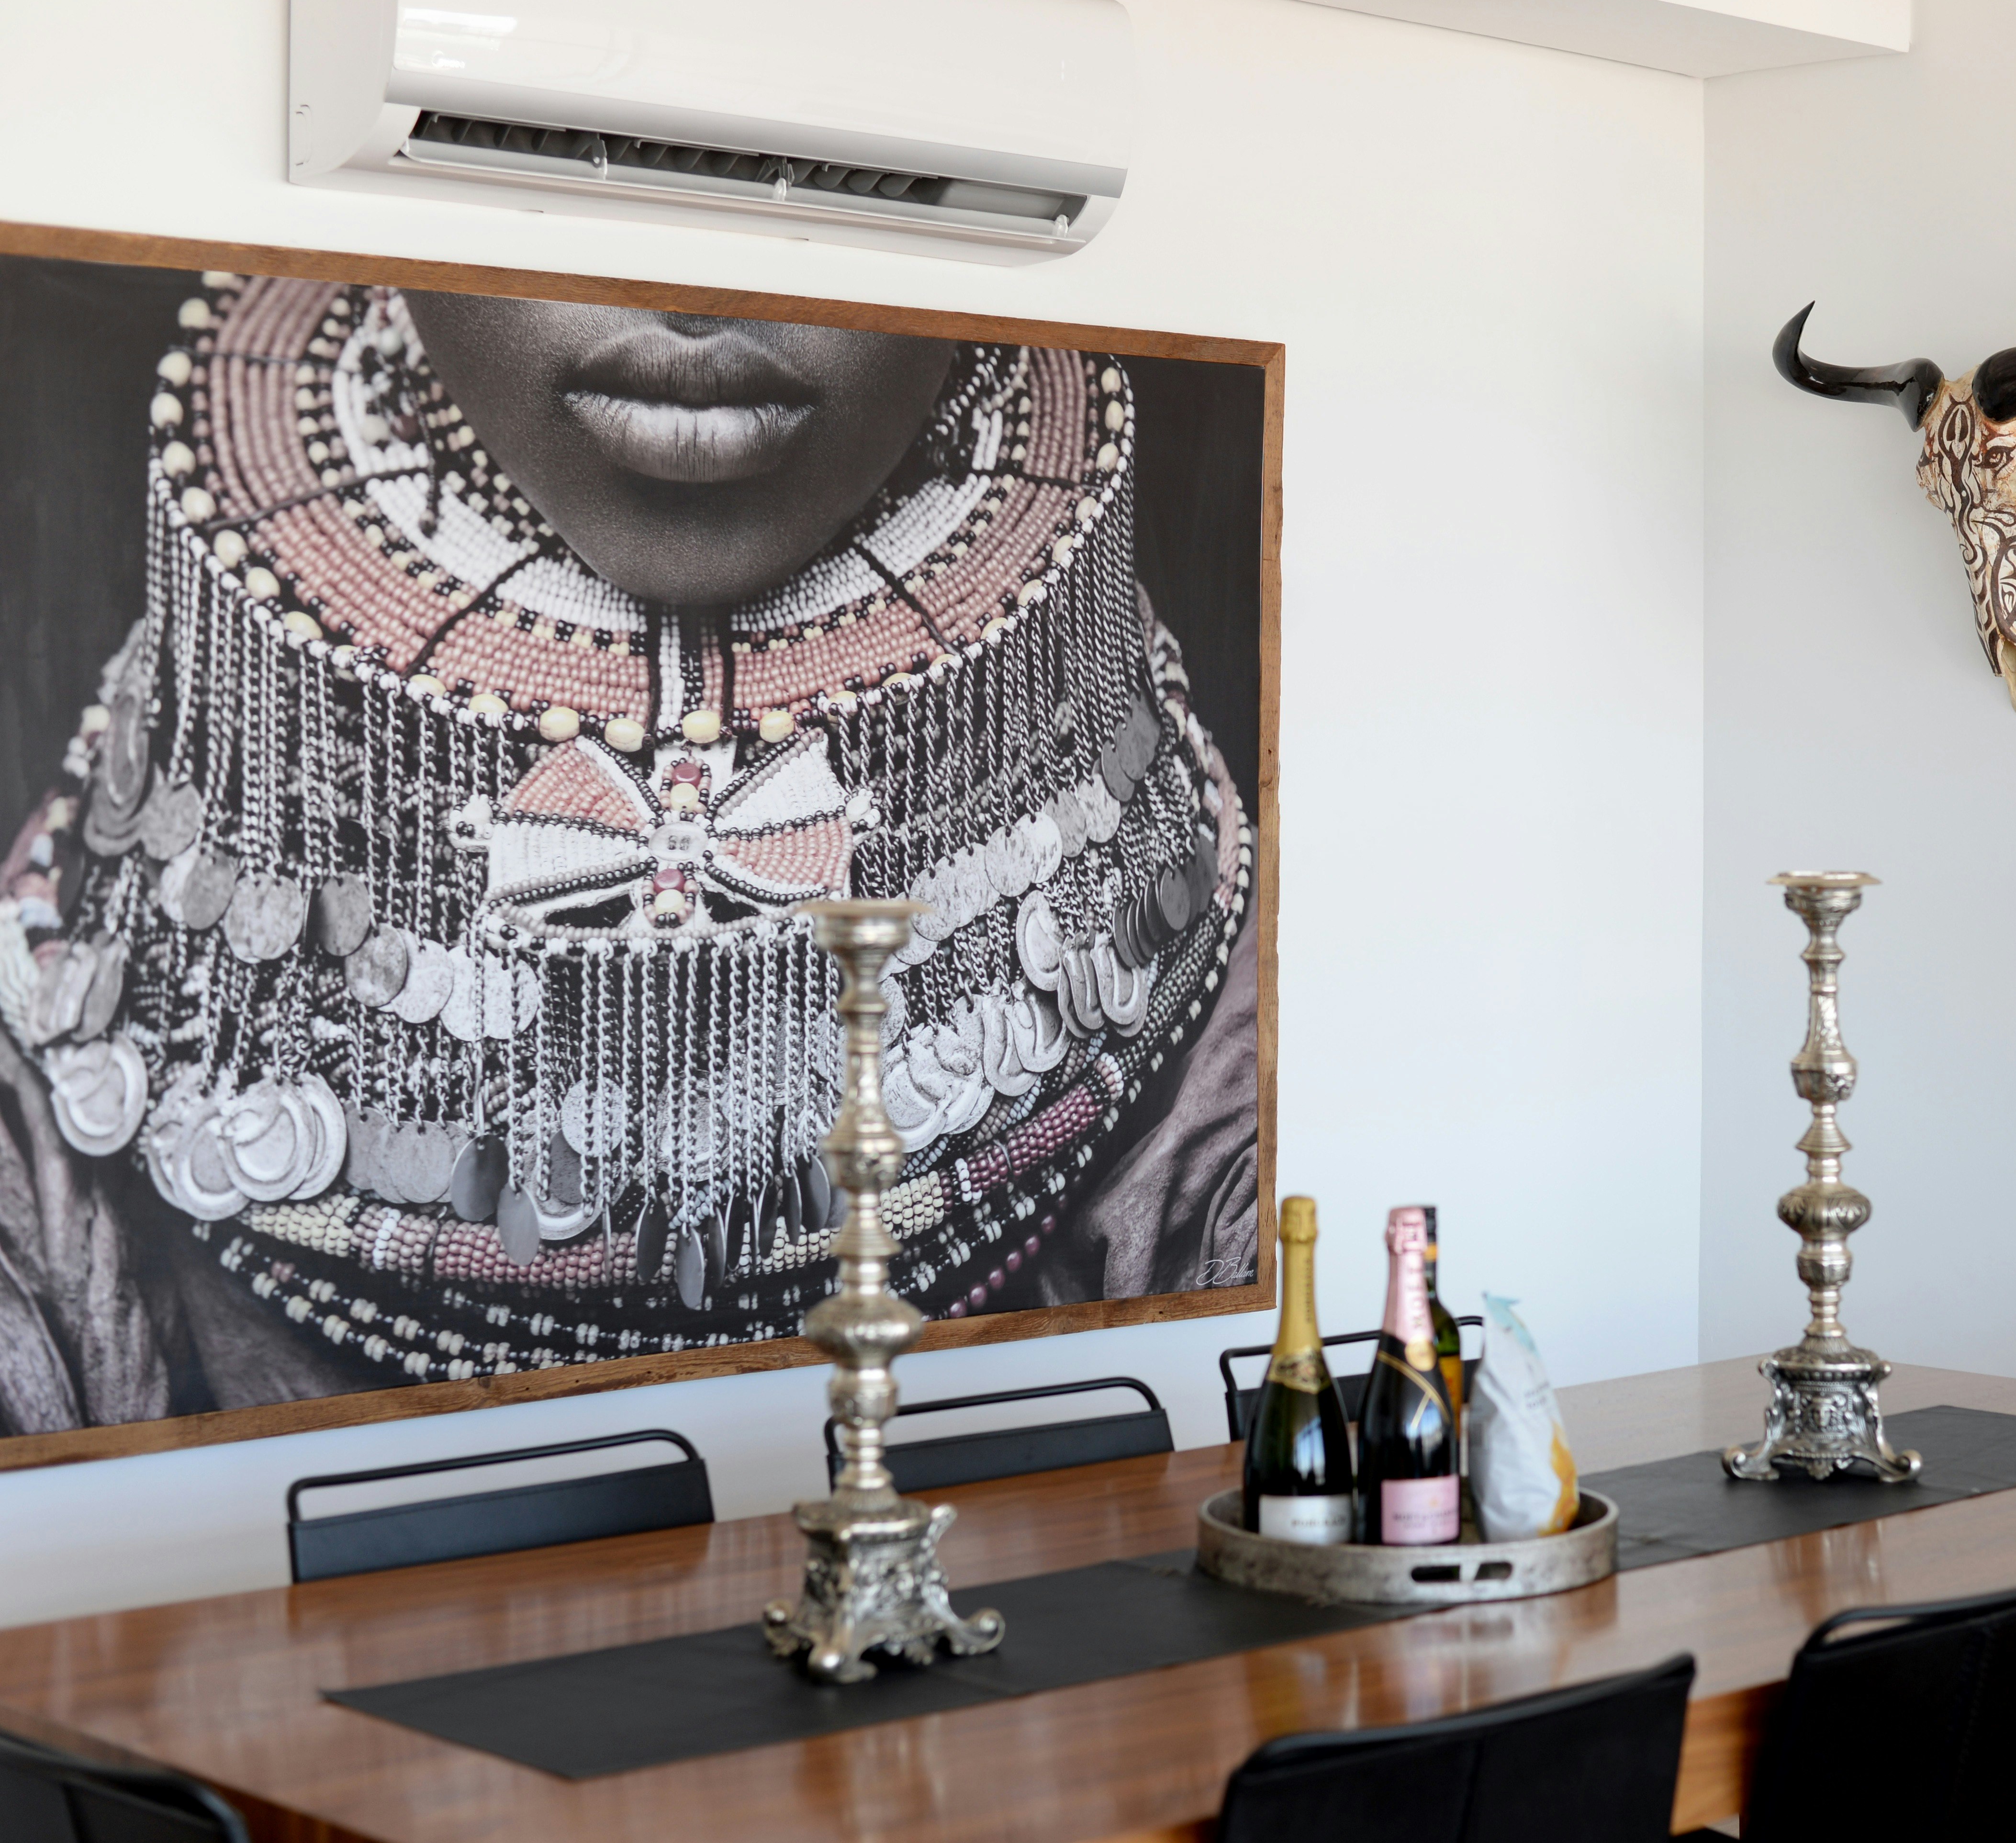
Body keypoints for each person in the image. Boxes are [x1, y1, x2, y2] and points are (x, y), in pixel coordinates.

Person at [0, 273, 1258, 1433]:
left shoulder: (1265, 1103)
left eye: (821, 177)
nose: (693, 304)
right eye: (562, 152)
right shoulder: (41, 1208)